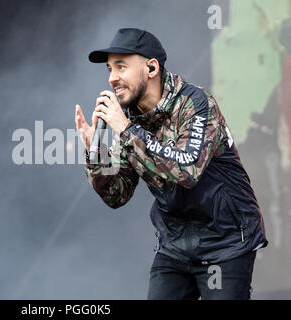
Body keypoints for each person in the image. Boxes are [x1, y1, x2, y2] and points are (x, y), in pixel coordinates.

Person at [74, 28, 268, 300]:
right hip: (175, 245)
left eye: (121, 67)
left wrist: (127, 131)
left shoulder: (196, 103)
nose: (112, 78)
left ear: (151, 67)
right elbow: (117, 195)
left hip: (226, 244)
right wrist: (95, 153)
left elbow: (186, 171)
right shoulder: (130, 120)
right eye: (109, 69)